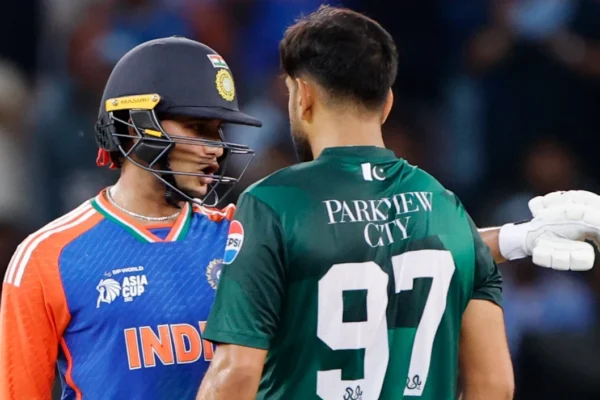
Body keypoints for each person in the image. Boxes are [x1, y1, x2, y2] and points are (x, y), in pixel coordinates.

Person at [196, 6, 600, 400]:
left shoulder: (272, 203)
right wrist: (514, 239)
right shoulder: (445, 207)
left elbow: (237, 373)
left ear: (302, 95)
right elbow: (495, 386)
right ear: (387, 103)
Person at [0, 36, 261, 400]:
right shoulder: (47, 256)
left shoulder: (240, 236)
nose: (216, 148)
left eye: (218, 131)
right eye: (197, 127)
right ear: (136, 125)